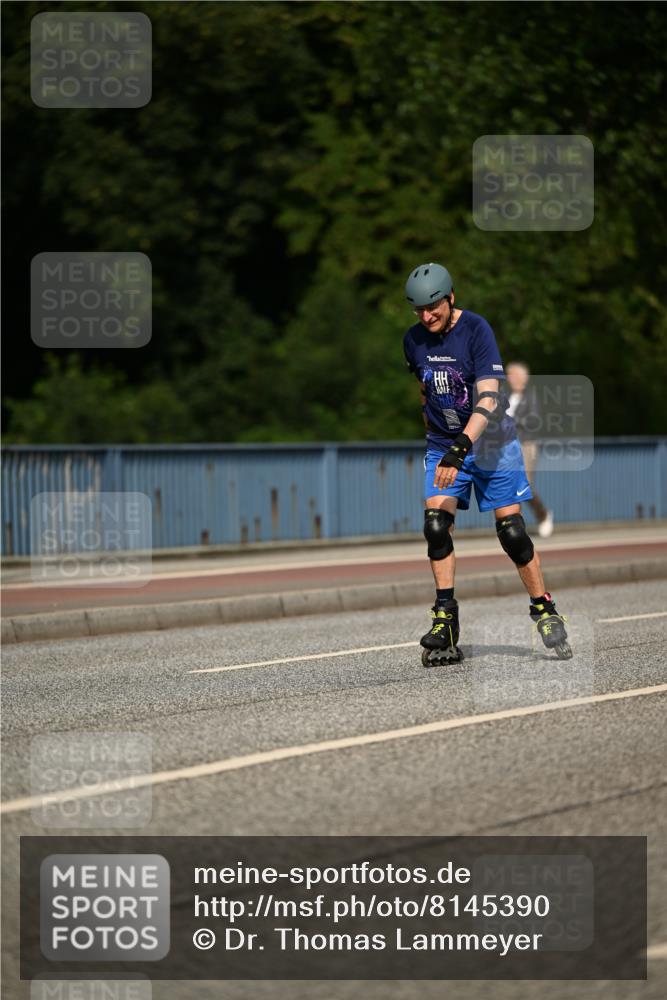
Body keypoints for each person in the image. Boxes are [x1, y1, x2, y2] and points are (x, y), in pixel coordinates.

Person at [402, 262, 571, 666]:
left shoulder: (476, 329)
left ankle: (544, 608)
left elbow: (490, 399)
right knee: (435, 525)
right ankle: (445, 620)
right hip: (444, 445)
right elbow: (425, 392)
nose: (427, 316)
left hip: (492, 445)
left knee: (512, 532)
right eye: (419, 309)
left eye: (433, 307)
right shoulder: (413, 340)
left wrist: (461, 447)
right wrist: (437, 440)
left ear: (450, 298)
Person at [505, 361, 554, 538]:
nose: (510, 378)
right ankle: (514, 524)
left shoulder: (530, 396)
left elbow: (533, 420)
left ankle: (543, 514)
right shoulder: (507, 396)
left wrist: (510, 420)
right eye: (509, 375)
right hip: (506, 447)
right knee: (507, 485)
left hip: (526, 444)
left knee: (524, 485)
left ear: (523, 378)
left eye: (513, 375)